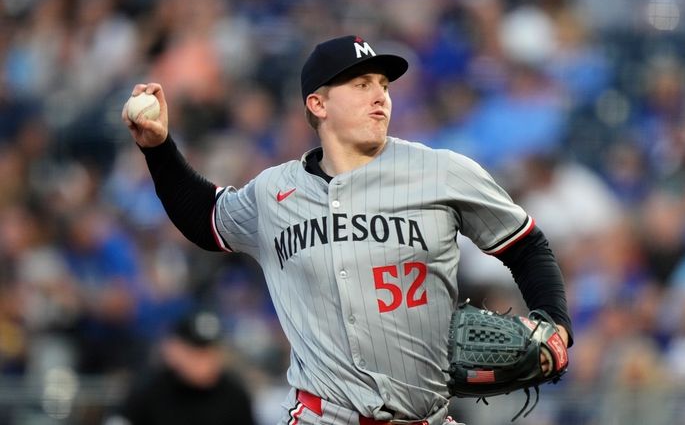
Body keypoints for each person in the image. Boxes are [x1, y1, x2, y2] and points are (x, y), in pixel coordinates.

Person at [122, 35, 573, 425]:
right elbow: (206, 219)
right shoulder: (275, 191)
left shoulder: (441, 171)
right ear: (318, 104)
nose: (380, 96)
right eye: (360, 85)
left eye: (383, 85)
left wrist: (557, 323)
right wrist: (159, 149)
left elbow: (526, 244)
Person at [106, 310, 257, 425]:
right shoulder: (150, 391)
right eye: (196, 351)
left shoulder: (235, 396)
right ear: (174, 349)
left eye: (211, 351)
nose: (206, 360)